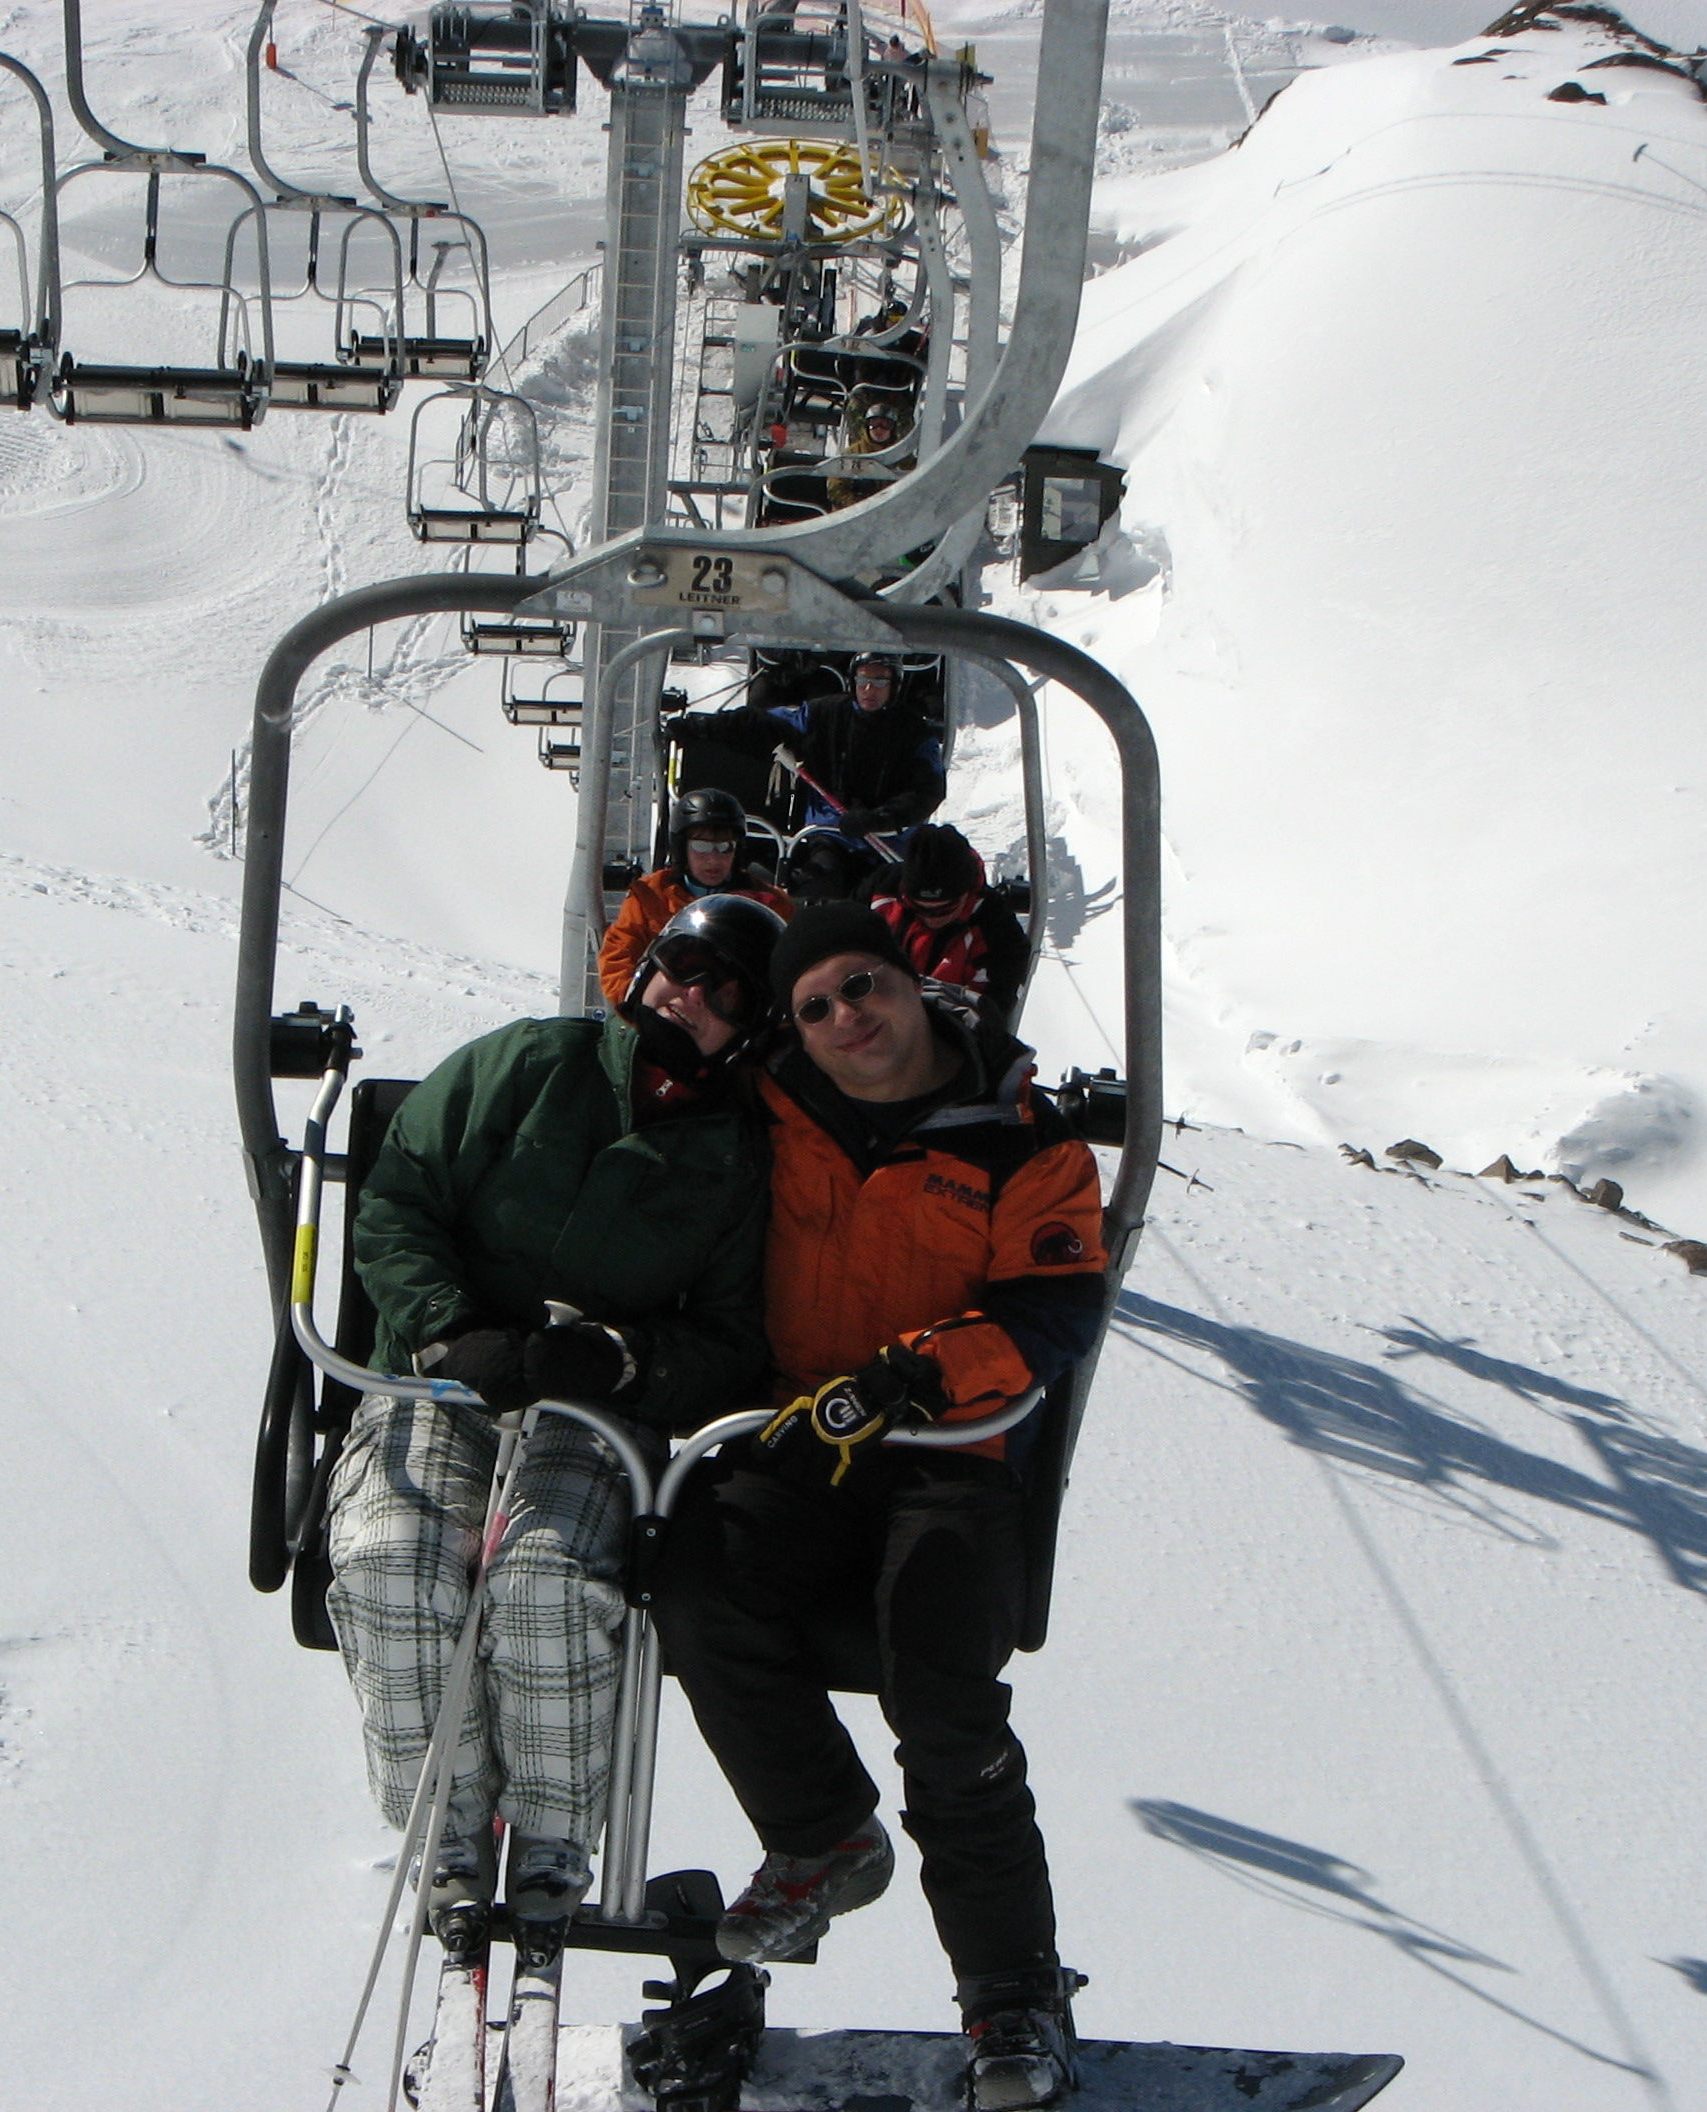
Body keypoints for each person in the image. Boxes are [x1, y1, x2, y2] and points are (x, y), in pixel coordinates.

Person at [655, 901, 1108, 2111]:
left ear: (913, 985)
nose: (845, 1018)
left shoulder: (1021, 1139)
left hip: (946, 1448)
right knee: (695, 1590)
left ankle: (1010, 1993)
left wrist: (916, 1375)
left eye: (861, 986)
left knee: (942, 1692)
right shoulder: (772, 1105)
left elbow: (1052, 1307)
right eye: (814, 1007)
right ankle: (820, 1833)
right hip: (800, 1434)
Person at [325, 894, 786, 1942]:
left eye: (723, 994)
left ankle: (550, 1837)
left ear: (748, 1028)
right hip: (443, 1387)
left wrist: (622, 1359)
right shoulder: (533, 1064)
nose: (690, 997)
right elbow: (397, 1197)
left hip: (590, 1417)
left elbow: (731, 1340)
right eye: (680, 967)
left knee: (545, 1581)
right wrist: (447, 1330)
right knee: (392, 1560)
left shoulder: (734, 1157)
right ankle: (446, 1827)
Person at [664, 653, 946, 895]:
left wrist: (883, 818)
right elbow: (760, 723)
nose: (869, 689)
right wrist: (699, 727)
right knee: (818, 882)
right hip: (831, 835)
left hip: (888, 842)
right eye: (863, 679)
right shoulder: (825, 714)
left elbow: (928, 789)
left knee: (887, 893)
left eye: (880, 681)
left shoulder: (914, 733)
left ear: (894, 686)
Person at [599, 788, 793, 1012]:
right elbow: (618, 957)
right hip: (666, 1010)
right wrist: (640, 1008)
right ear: (682, 847)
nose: (713, 860)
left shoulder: (769, 904)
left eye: (725, 847)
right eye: (701, 847)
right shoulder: (650, 896)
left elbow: (791, 969)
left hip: (734, 1016)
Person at [872, 822, 1033, 1029]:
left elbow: (989, 1011)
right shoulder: (882, 894)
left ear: (966, 894)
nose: (933, 919)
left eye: (945, 909)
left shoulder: (995, 929)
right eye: (921, 909)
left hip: (945, 1030)